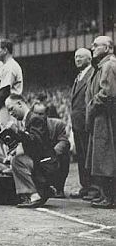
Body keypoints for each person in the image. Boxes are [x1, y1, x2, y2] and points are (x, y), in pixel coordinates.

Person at [5, 94, 58, 208]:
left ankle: (35, 195)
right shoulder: (27, 120)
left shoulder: (35, 119)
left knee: (17, 161)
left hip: (46, 164)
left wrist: (16, 131)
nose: (11, 113)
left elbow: (36, 142)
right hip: (40, 162)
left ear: (19, 103)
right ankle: (44, 190)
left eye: (11, 109)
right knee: (12, 164)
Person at [85, 36, 116, 209]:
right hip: (101, 117)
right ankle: (106, 194)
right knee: (102, 156)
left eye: (96, 45)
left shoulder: (109, 65)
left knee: (106, 156)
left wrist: (92, 104)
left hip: (105, 117)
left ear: (108, 48)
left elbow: (107, 93)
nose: (92, 47)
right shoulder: (102, 66)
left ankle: (110, 197)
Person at [69, 48, 95, 199]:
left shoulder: (92, 74)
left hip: (86, 122)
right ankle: (85, 186)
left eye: (80, 57)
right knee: (81, 156)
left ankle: (92, 188)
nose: (77, 59)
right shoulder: (79, 76)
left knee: (88, 155)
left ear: (89, 58)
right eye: (75, 57)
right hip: (77, 122)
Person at [32, 102, 71, 198]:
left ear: (46, 114)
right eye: (35, 113)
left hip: (53, 155)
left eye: (41, 114)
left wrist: (52, 153)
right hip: (38, 156)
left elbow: (64, 141)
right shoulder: (29, 125)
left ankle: (59, 188)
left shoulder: (58, 124)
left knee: (65, 155)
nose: (38, 116)